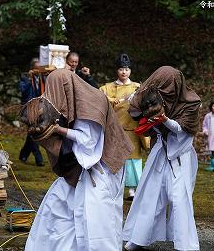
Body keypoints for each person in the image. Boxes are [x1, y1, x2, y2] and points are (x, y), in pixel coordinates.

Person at [23, 68, 133, 251]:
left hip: (102, 168)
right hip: (82, 168)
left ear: (63, 86)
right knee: (57, 207)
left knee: (96, 222)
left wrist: (59, 130)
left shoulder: (92, 102)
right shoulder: (70, 100)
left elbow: (89, 142)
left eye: (53, 90)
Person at [123, 66, 201, 251]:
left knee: (178, 198)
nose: (163, 91)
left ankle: (184, 244)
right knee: (151, 196)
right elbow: (133, 110)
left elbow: (183, 130)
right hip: (160, 153)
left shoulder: (190, 103)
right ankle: (138, 239)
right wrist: (139, 97)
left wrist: (164, 119)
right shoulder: (153, 96)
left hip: (180, 156)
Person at [99, 53, 148, 199]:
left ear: (130, 70)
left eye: (126, 69)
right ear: (117, 71)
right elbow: (102, 101)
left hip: (133, 129)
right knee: (116, 159)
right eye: (121, 69)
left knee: (134, 161)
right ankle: (114, 187)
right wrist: (115, 99)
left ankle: (134, 189)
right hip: (115, 130)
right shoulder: (106, 88)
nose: (124, 72)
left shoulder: (138, 87)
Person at [18, 57, 44, 166]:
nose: (38, 70)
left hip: (38, 108)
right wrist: (29, 78)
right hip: (28, 109)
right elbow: (22, 91)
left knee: (32, 133)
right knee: (33, 131)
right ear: (32, 68)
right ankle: (39, 159)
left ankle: (23, 155)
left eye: (39, 68)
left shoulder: (41, 78)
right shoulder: (25, 77)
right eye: (36, 68)